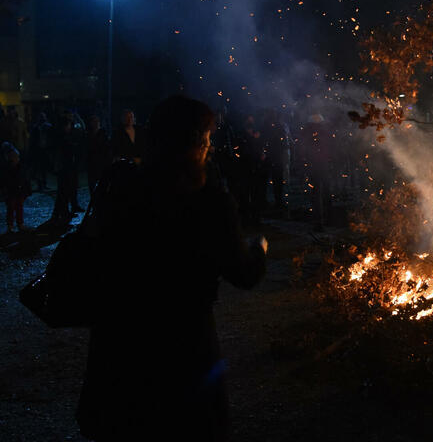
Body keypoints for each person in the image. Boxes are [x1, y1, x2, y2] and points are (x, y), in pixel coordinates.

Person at [76, 95, 267, 441]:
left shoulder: (121, 187)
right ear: (195, 140)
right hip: (184, 348)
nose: (210, 144)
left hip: (120, 346)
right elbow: (244, 273)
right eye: (206, 136)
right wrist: (259, 249)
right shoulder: (208, 201)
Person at [3, 144, 31, 232]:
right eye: (14, 157)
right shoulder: (7, 169)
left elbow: (25, 179)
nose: (16, 159)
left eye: (17, 157)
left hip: (19, 190)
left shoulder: (20, 168)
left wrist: (26, 189)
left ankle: (19, 223)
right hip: (12, 191)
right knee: (11, 208)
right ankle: (11, 225)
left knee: (19, 207)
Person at [86, 115, 113, 195]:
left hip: (102, 164)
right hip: (92, 164)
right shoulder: (88, 135)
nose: (96, 123)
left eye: (97, 121)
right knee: (92, 186)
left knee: (102, 185)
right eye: (94, 121)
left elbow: (107, 149)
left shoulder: (103, 134)